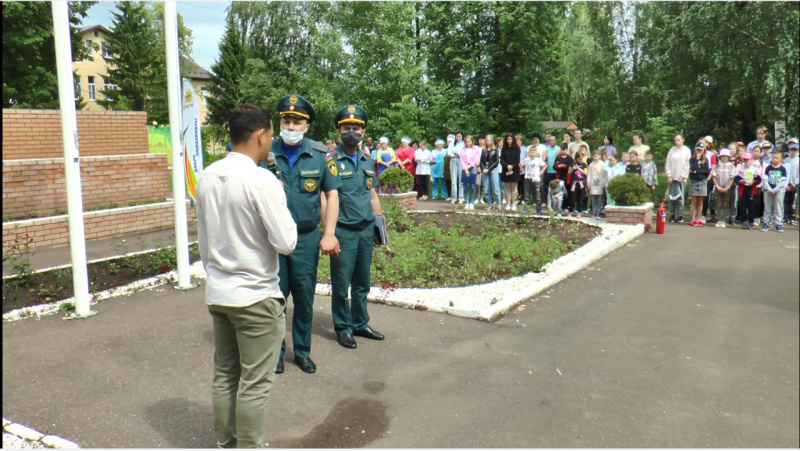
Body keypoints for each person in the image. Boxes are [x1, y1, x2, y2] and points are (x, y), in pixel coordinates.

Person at [196, 103, 298, 448]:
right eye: (270, 134)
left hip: (220, 293)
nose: (271, 140)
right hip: (255, 295)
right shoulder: (261, 180)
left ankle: (228, 444)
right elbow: (286, 242)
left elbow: (205, 241)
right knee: (255, 383)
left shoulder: (208, 176)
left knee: (225, 375)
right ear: (260, 134)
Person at [262, 94, 341, 374]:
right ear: (279, 122)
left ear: (306, 126)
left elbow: (331, 194)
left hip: (306, 238)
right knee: (275, 299)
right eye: (286, 120)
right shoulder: (265, 153)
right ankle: (276, 354)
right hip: (273, 240)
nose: (291, 126)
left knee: (304, 298)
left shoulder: (320, 155)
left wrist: (329, 233)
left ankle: (302, 352)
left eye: (297, 121)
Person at [327, 104, 384, 350]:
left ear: (363, 130)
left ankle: (360, 323)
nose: (352, 132)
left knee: (362, 282)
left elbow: (372, 195)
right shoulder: (330, 161)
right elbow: (327, 198)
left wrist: (379, 227)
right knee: (342, 284)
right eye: (347, 127)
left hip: (365, 229)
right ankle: (343, 327)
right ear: (339, 130)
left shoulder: (367, 160)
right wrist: (329, 233)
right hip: (343, 231)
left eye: (356, 127)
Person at [665, 134, 691, 223]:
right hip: (672, 177)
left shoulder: (686, 151)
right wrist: (669, 175)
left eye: (679, 140)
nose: (677, 142)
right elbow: (667, 163)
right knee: (671, 197)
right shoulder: (672, 150)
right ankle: (672, 214)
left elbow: (687, 164)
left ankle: (680, 215)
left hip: (680, 178)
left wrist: (682, 176)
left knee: (680, 198)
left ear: (683, 140)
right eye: (676, 140)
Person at [761, 151, 787, 232]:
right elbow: (765, 179)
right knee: (767, 207)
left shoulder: (783, 169)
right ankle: (766, 223)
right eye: (773, 158)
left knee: (778, 207)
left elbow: (782, 182)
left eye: (777, 158)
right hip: (768, 190)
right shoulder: (768, 168)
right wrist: (769, 189)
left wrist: (775, 190)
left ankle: (778, 224)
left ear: (781, 159)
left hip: (778, 191)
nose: (775, 160)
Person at [735, 153, 762, 230]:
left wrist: (753, 182)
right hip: (742, 190)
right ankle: (743, 221)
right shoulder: (740, 169)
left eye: (747, 160)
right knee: (742, 206)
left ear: (751, 160)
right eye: (744, 160)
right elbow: (736, 179)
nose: (746, 161)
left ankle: (751, 222)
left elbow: (759, 179)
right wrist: (740, 182)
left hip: (751, 190)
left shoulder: (755, 169)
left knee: (751, 207)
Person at [688, 141, 711, 227]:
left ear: (703, 151)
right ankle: (693, 219)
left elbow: (706, 171)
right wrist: (697, 162)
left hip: (702, 181)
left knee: (700, 202)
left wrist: (697, 171)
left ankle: (698, 219)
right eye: (698, 150)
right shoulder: (692, 160)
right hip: (694, 181)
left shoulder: (706, 160)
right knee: (694, 201)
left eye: (701, 150)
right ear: (695, 150)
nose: (699, 152)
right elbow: (691, 170)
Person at [712, 148, 736, 228]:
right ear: (720, 157)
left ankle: (724, 219)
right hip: (718, 186)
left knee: (726, 203)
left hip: (727, 187)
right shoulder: (717, 165)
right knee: (718, 203)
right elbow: (714, 176)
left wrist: (728, 187)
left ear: (728, 157)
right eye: (723, 156)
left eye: (726, 156)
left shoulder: (731, 166)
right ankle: (719, 219)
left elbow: (732, 178)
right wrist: (717, 186)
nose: (724, 158)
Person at [519, 145, 546, 215]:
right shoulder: (526, 160)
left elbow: (545, 165)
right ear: (529, 152)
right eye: (531, 152)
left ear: (536, 153)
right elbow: (520, 164)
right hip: (528, 179)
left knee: (537, 196)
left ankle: (538, 210)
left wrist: (541, 172)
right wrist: (523, 171)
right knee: (526, 195)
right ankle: (525, 209)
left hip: (536, 179)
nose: (532, 153)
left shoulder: (538, 160)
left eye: (534, 152)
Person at [500, 132, 521, 211]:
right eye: (508, 139)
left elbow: (518, 160)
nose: (509, 140)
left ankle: (514, 203)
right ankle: (508, 203)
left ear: (513, 140)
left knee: (514, 187)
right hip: (506, 170)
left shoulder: (517, 148)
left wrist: (512, 166)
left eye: (510, 139)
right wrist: (507, 166)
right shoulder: (504, 149)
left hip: (515, 170)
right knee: (507, 187)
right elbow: (502, 159)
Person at [460, 135, 481, 210]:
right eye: (466, 142)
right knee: (465, 186)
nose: (468, 143)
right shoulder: (462, 149)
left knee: (472, 186)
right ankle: (466, 202)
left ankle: (471, 202)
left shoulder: (476, 149)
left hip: (472, 168)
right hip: (465, 168)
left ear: (472, 141)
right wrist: (465, 168)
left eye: (469, 141)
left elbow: (476, 159)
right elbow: (462, 159)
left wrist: (469, 167)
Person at [481, 134, 501, 210]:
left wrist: (489, 169)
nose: (488, 142)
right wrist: (483, 168)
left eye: (489, 140)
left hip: (493, 168)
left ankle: (498, 203)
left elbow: (496, 161)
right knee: (486, 188)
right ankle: (490, 204)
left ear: (492, 141)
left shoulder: (495, 150)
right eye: (486, 140)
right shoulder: (483, 150)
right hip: (485, 168)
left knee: (496, 187)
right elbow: (481, 161)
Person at [567, 152, 589, 217]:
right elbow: (569, 173)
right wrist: (573, 168)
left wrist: (579, 168)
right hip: (574, 183)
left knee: (581, 198)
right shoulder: (572, 164)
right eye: (579, 159)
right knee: (572, 198)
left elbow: (585, 173)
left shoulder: (584, 165)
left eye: (581, 159)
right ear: (576, 159)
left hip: (582, 183)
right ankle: (571, 210)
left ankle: (579, 211)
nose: (580, 160)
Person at [588, 151, 607, 218]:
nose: (595, 158)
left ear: (599, 156)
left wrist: (603, 183)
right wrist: (588, 183)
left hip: (600, 184)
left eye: (597, 156)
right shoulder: (591, 165)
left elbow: (605, 175)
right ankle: (594, 211)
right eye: (594, 156)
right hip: (593, 184)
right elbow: (589, 174)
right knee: (594, 200)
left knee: (599, 200)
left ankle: (598, 212)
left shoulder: (602, 164)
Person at [448, 131, 465, 203]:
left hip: (461, 161)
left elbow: (464, 153)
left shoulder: (463, 144)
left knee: (461, 180)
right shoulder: (452, 144)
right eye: (457, 136)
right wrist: (455, 154)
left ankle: (461, 197)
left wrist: (458, 154)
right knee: (453, 181)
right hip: (453, 160)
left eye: (460, 136)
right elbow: (449, 153)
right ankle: (453, 197)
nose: (458, 138)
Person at [784, 139, 799, 225]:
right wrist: (786, 184)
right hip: (787, 184)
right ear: (789, 150)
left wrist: (795, 183)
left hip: (795, 184)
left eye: (795, 150)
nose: (793, 152)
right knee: (786, 201)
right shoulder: (786, 160)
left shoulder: (798, 160)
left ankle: (793, 217)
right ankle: (786, 216)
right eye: (791, 150)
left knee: (794, 202)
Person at [543, 133, 560, 207]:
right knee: (549, 187)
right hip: (549, 171)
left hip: (557, 171)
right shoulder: (546, 149)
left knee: (557, 187)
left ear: (556, 141)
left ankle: (557, 203)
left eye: (553, 140)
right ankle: (549, 202)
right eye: (550, 140)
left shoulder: (559, 149)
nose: (551, 141)